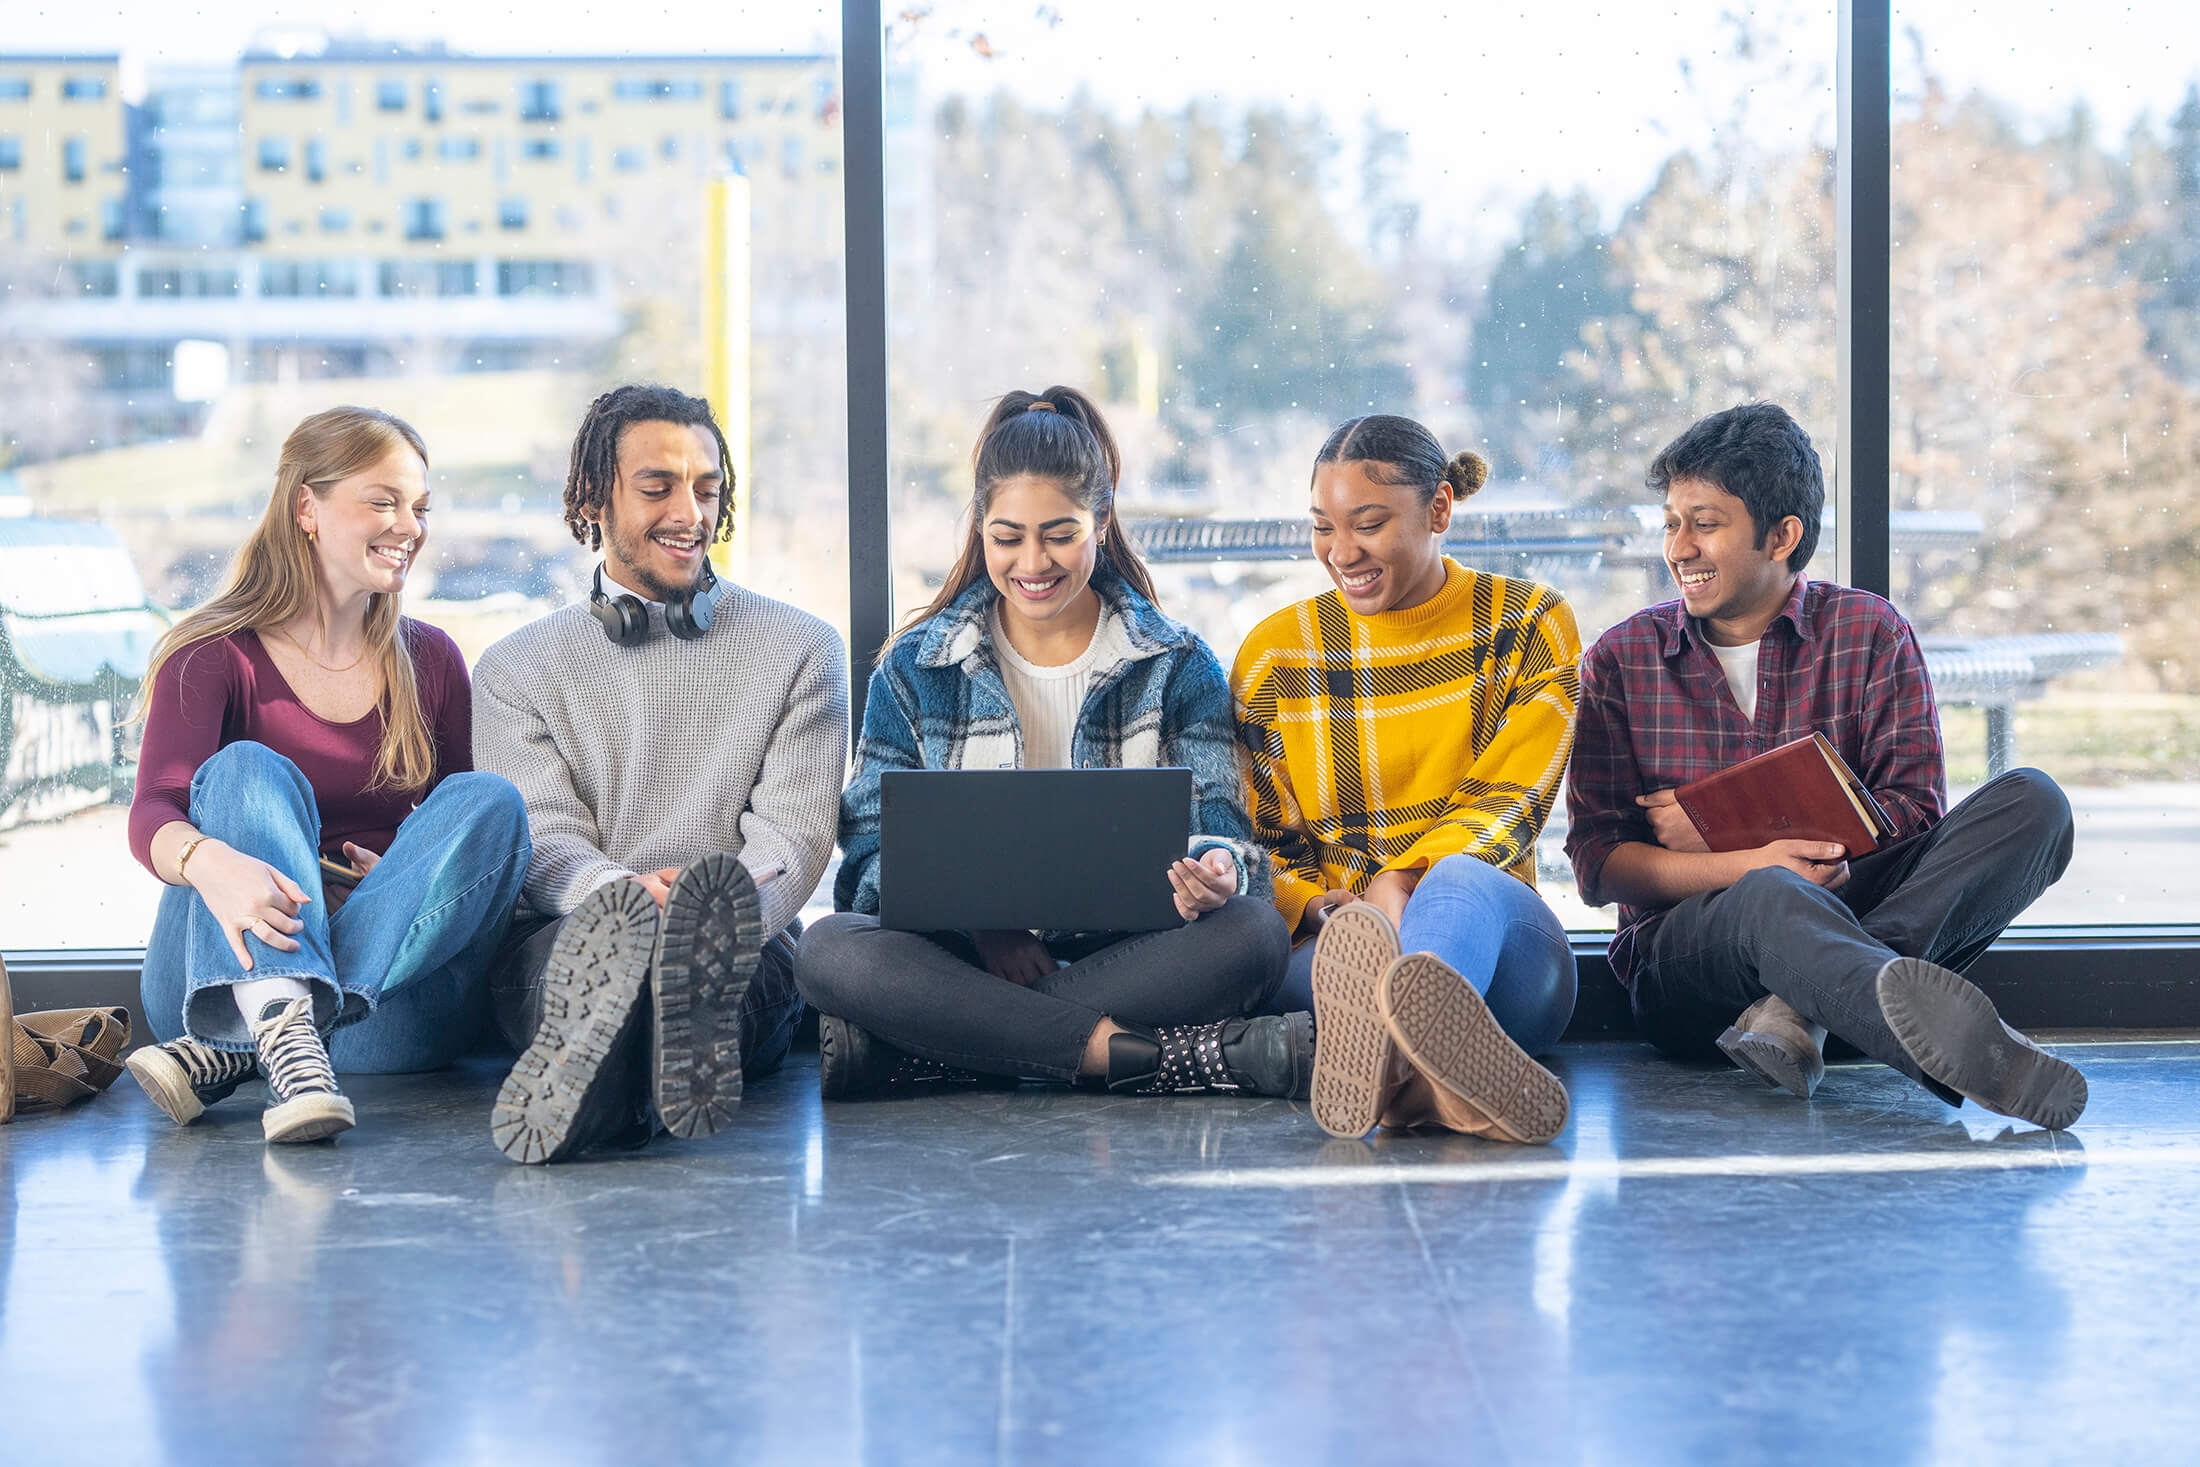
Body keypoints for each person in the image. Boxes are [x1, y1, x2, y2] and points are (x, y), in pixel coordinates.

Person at [1565, 402, 2086, 1128]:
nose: (1678, 546)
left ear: (1782, 535)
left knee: (2036, 802)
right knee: (1770, 893)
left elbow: (1915, 811)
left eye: (1705, 522)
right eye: (1671, 521)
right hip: (1691, 969)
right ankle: (1963, 1046)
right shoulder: (1623, 659)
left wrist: (1808, 849)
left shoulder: (1870, 631)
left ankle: (1798, 1007)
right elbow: (1596, 865)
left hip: (1850, 909)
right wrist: (1751, 864)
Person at [794, 386, 1305, 1099]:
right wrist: (983, 927)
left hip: (1129, 957)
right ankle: (1155, 1056)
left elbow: (1228, 842)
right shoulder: (914, 668)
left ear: (1101, 519)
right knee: (827, 949)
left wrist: (1215, 874)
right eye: (1008, 537)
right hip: (965, 961)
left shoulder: (1178, 664)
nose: (1032, 562)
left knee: (1253, 933)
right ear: (980, 528)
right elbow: (871, 866)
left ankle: (952, 1050)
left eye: (1059, 534)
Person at [123, 406, 530, 1144]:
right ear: (306, 506)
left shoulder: (434, 661)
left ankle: (249, 1046)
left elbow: (460, 841)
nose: (409, 524)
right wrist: (211, 862)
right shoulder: (213, 655)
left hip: (388, 1016)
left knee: (489, 800)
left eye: (419, 506)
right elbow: (152, 809)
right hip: (210, 982)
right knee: (245, 769)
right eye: (382, 501)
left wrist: (398, 882)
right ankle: (276, 1019)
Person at [473, 384, 848, 1164]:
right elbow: (542, 839)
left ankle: (600, 1102)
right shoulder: (515, 668)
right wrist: (623, 900)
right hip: (569, 931)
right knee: (604, 978)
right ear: (591, 498)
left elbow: (796, 837)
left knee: (695, 976)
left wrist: (718, 914)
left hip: (738, 936)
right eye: (658, 487)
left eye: (707, 490)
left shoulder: (804, 650)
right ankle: (627, 1084)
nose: (690, 513)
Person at [1232, 415, 1582, 1144]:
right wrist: (1328, 906)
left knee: (1453, 879)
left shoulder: (1530, 623)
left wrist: (1399, 883)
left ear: (1440, 509)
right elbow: (1263, 841)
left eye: (1368, 523)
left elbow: (1508, 805)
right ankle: (1434, 1088)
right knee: (1347, 956)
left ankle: (1406, 1054)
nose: (1341, 551)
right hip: (1342, 952)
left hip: (1498, 956)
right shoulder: (1274, 655)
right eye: (1323, 526)